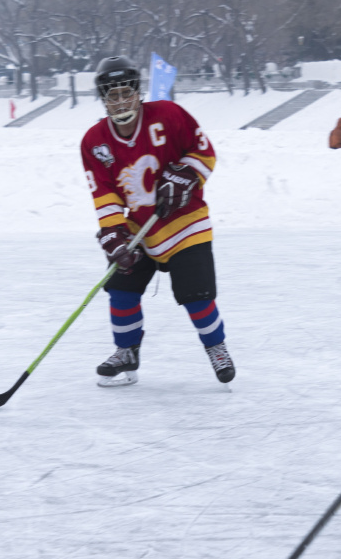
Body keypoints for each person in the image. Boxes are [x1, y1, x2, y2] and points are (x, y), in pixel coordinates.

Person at [80, 56, 235, 388]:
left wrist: (186, 176)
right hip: (138, 229)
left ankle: (216, 347)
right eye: (112, 95)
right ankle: (127, 353)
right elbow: (105, 194)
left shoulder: (169, 115)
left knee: (197, 295)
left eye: (126, 92)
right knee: (121, 291)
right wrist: (113, 234)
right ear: (103, 99)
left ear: (138, 92)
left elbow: (205, 152)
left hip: (186, 223)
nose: (120, 101)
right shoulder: (94, 142)